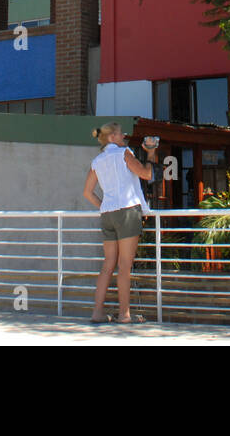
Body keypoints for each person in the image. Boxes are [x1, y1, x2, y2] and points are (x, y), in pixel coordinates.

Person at [82, 123, 156, 324]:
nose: (124, 136)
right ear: (112, 136)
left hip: (108, 213)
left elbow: (87, 192)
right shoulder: (124, 153)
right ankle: (124, 314)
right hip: (127, 211)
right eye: (121, 133)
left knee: (108, 265)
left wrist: (104, 205)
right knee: (124, 265)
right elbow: (146, 174)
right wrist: (150, 154)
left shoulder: (97, 161)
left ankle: (97, 312)